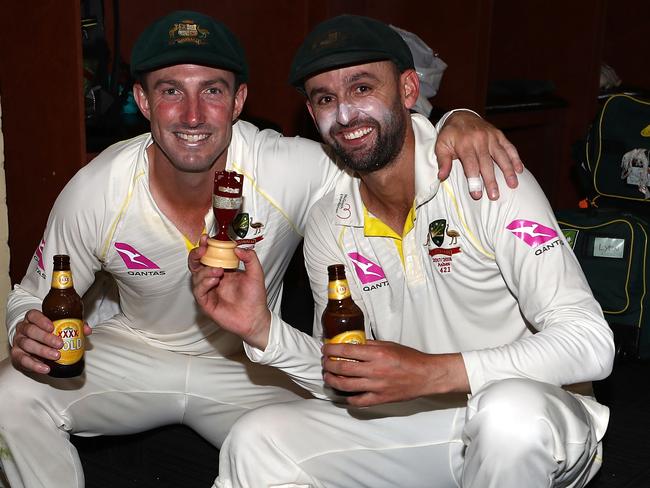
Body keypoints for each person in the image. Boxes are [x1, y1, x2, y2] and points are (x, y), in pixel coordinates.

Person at [0, 10, 522, 488]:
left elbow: (382, 143)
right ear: (142, 102)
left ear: (240, 101)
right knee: (9, 397)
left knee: (352, 429)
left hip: (249, 365)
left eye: (212, 91)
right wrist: (25, 326)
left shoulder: (286, 166)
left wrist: (457, 119)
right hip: (140, 354)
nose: (192, 115)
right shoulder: (98, 188)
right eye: (170, 92)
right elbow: (30, 295)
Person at [190, 14, 615, 488]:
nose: (346, 115)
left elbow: (591, 344)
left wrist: (433, 373)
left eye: (362, 89)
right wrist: (263, 330)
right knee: (256, 437)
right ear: (313, 116)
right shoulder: (331, 222)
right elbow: (345, 373)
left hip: (534, 423)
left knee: (508, 414)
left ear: (409, 90)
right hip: (419, 425)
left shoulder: (485, 175)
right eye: (326, 99)